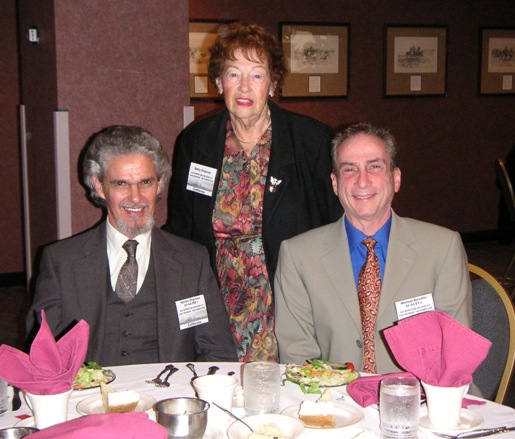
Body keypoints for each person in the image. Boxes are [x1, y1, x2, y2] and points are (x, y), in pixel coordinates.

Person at [164, 22, 342, 362]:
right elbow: (182, 230)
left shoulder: (311, 141)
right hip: (218, 302)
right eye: (233, 74)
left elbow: (333, 227)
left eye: (257, 75)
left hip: (290, 302)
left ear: (273, 84)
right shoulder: (194, 142)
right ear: (218, 82)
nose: (244, 86)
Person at [26, 125, 237, 366]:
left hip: (167, 398)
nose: (135, 197)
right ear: (98, 186)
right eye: (121, 184)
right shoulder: (61, 262)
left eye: (145, 182)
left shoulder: (191, 261)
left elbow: (218, 352)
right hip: (90, 399)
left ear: (159, 185)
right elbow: (41, 356)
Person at [275, 122, 472, 373]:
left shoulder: (442, 248)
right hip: (335, 404)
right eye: (349, 169)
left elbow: (455, 351)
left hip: (422, 401)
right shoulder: (298, 256)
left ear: (396, 178)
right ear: (335, 183)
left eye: (375, 167)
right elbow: (298, 357)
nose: (362, 181)